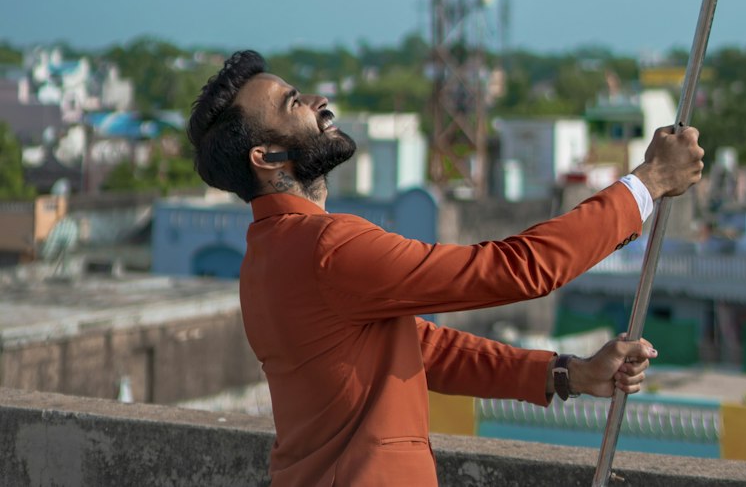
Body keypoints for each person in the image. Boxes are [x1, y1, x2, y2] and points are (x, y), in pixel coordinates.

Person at [188, 50, 704, 487]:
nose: (317, 102)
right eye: (292, 104)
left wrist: (569, 373)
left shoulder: (267, 256)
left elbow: (421, 349)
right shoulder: (326, 246)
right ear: (267, 156)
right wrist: (648, 183)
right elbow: (514, 270)